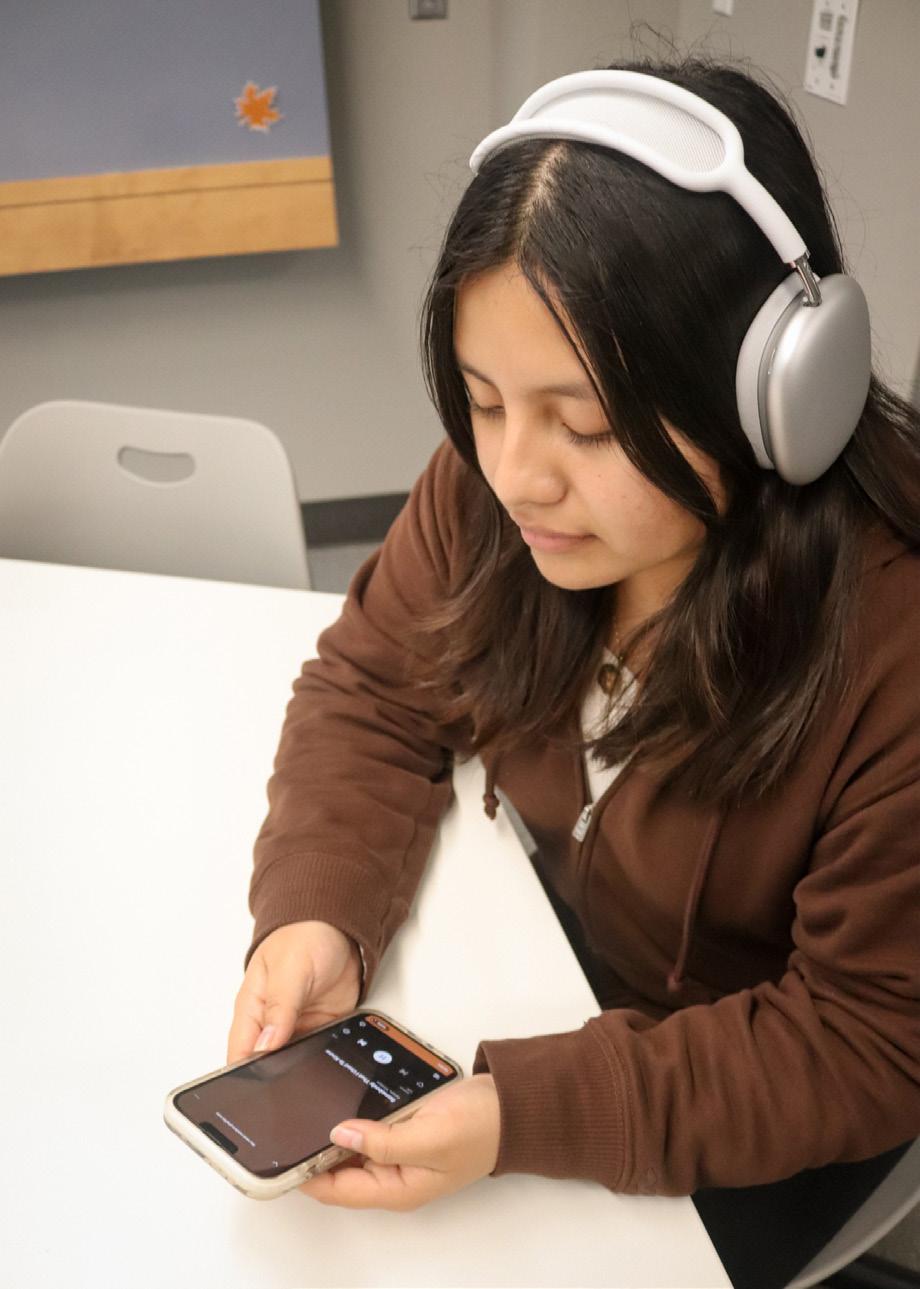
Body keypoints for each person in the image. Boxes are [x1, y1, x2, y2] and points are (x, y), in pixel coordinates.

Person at [226, 55, 920, 1211]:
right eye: (483, 399)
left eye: (584, 425)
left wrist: (528, 1112)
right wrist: (316, 906)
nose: (513, 474)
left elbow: (860, 1041)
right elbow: (373, 689)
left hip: (741, 1135)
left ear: (773, 398)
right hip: (539, 994)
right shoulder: (493, 497)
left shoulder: (889, 650)